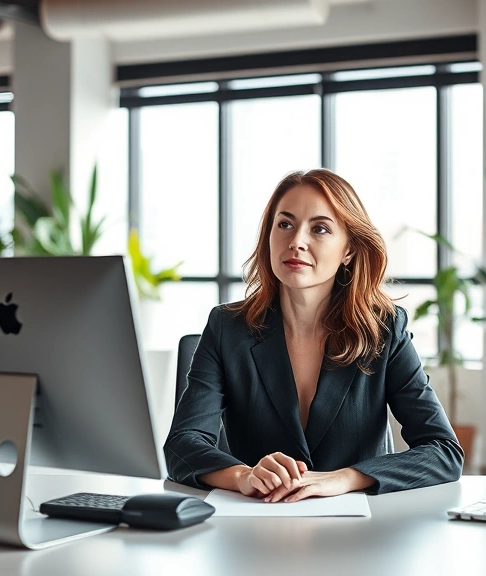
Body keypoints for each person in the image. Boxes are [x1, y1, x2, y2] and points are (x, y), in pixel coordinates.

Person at [164, 169, 463, 502]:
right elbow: (182, 446)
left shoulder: (384, 329)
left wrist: (346, 478)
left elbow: (444, 451)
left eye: (319, 229)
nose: (296, 241)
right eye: (285, 224)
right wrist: (243, 476)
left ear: (348, 250)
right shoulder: (227, 327)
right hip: (257, 528)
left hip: (361, 534)